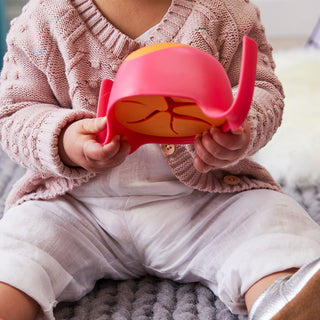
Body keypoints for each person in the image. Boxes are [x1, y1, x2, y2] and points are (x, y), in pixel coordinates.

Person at [0, 0, 320, 319]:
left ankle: (282, 295)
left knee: (272, 221)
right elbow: (14, 112)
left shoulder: (226, 11)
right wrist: (65, 139)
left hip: (204, 202)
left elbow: (263, 88)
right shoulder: (45, 17)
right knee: (19, 245)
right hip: (77, 209)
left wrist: (241, 125)